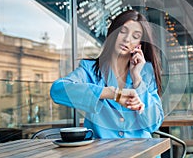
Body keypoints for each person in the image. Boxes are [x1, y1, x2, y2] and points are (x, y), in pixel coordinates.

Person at [50, 9, 164, 139]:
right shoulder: (90, 69)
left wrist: (138, 80)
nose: (127, 39)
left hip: (141, 151)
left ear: (139, 45)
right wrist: (112, 93)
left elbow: (153, 124)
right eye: (123, 31)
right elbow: (57, 90)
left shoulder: (145, 72)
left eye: (135, 36)